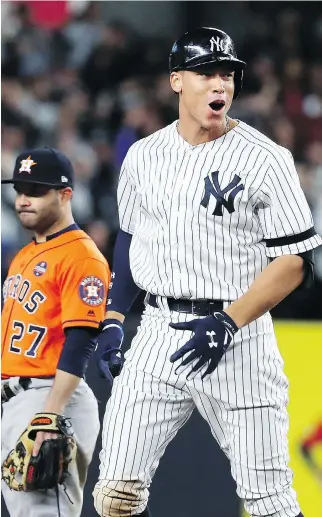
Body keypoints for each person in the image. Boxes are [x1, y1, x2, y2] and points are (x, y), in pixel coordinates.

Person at [93, 27, 322, 517]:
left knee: (269, 504)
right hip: (157, 331)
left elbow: (295, 262)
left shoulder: (266, 159)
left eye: (227, 75)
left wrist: (229, 322)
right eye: (205, 74)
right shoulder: (143, 156)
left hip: (237, 336)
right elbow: (132, 238)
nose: (220, 85)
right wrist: (114, 315)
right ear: (176, 80)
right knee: (115, 495)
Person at [1, 148, 110, 517]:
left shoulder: (82, 256)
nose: (23, 200)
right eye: (20, 189)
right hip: (17, 398)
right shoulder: (24, 254)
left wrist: (50, 416)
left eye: (35, 190)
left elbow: (81, 342)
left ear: (65, 195)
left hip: (49, 397)